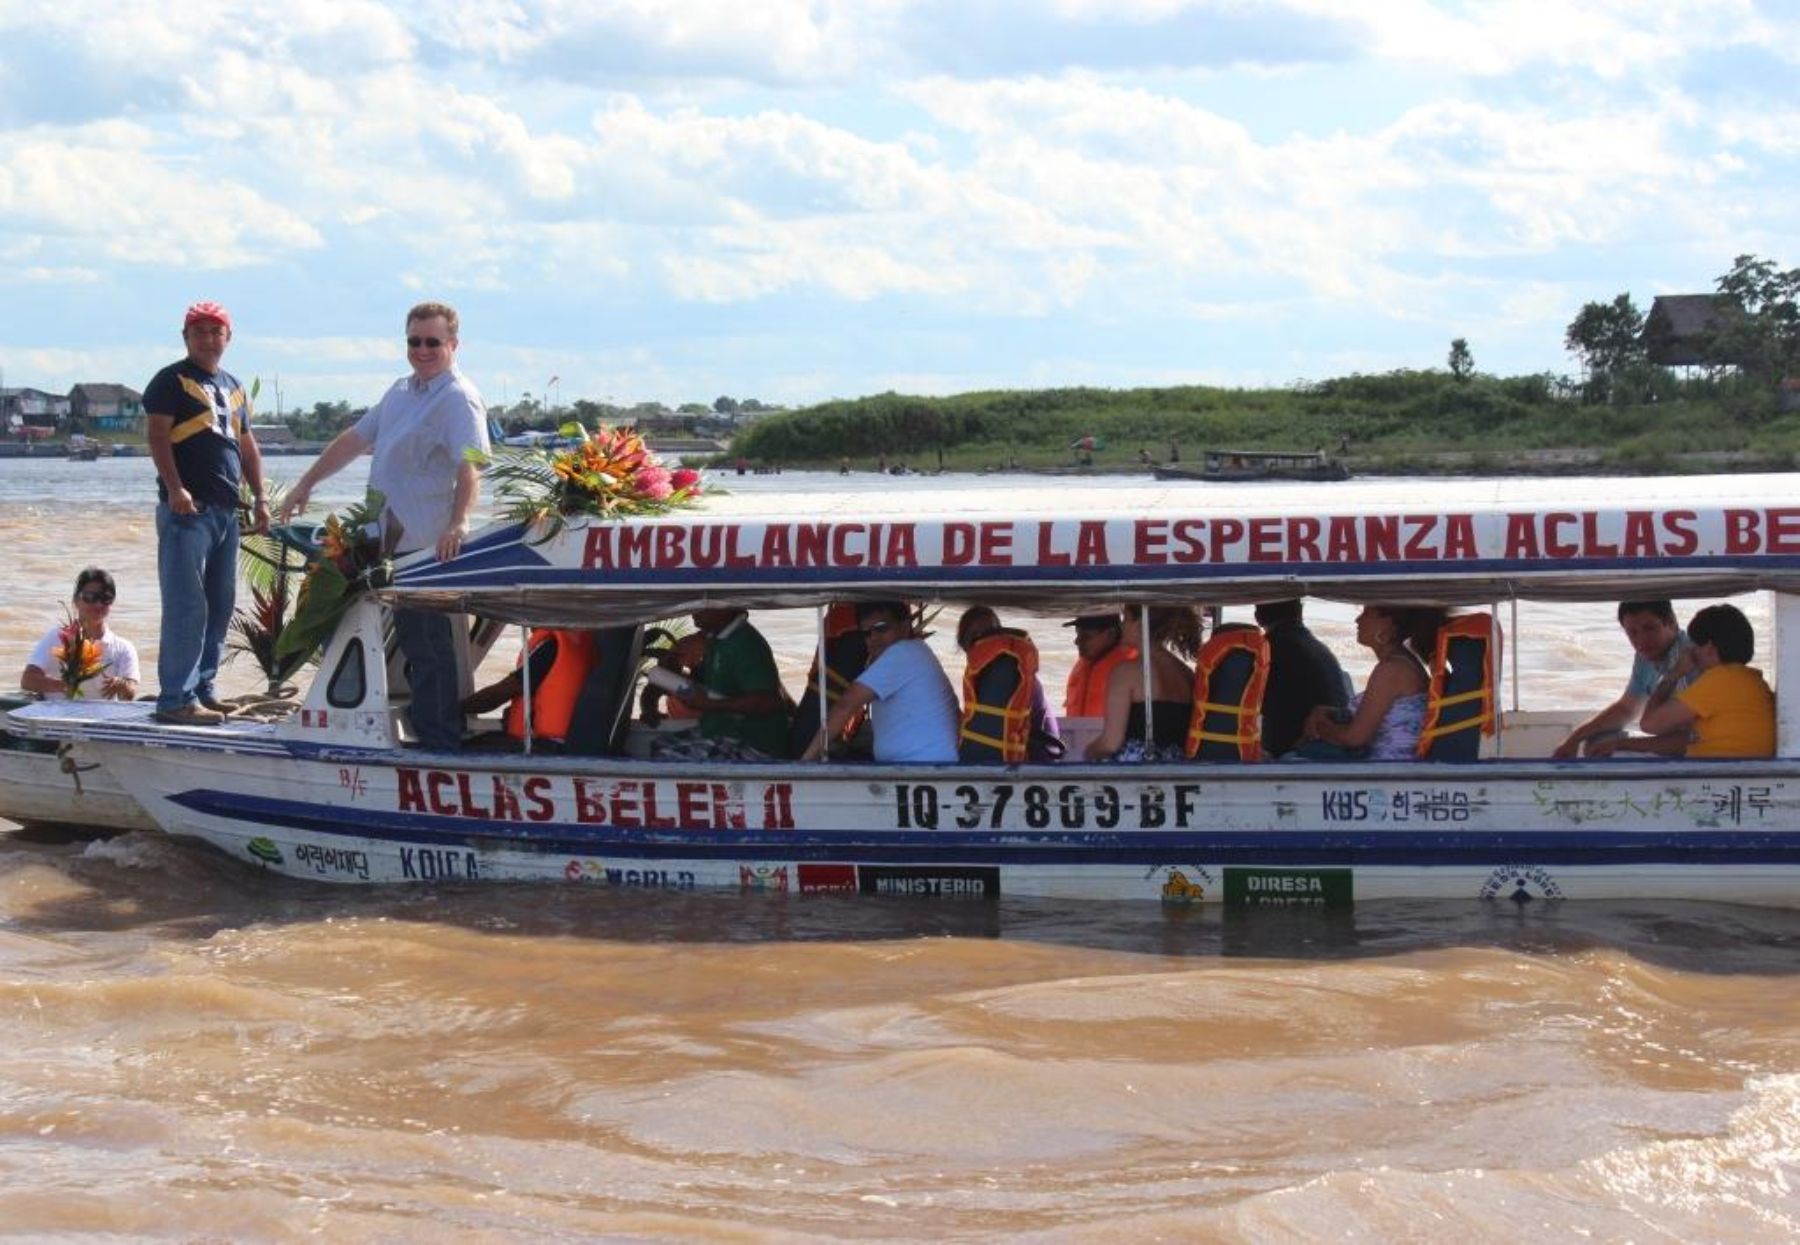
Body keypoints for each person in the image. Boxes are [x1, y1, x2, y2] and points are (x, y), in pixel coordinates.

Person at [280, 302, 489, 750]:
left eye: (433, 342)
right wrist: (305, 484)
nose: (423, 349)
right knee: (415, 646)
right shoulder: (400, 390)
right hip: (390, 543)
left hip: (428, 547)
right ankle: (427, 728)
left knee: (431, 648)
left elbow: (473, 463)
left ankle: (441, 743)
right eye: (415, 341)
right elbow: (356, 439)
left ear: (454, 345)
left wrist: (461, 520)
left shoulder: (458, 397)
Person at [143, 302, 268, 724]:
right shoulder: (170, 380)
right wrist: (175, 487)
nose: (208, 338)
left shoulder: (233, 387)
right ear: (186, 338)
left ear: (228, 338)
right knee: (186, 605)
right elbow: (158, 436)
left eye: (216, 331)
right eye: (199, 331)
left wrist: (261, 498)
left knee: (219, 604)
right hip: (187, 512)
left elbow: (246, 447)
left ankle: (203, 688)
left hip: (226, 512)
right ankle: (175, 698)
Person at [1588, 603, 1775, 759]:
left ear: (1709, 648)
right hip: (1730, 767)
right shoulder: (1753, 680)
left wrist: (1674, 674)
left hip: (1714, 772)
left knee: (1610, 757)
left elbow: (1649, 725)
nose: (1690, 653)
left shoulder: (1718, 681)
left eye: (1694, 647)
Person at [800, 601, 958, 762]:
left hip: (923, 767)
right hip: (918, 766)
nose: (873, 638)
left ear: (904, 627)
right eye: (866, 633)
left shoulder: (902, 653)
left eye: (881, 628)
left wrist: (806, 760)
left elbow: (846, 705)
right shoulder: (915, 651)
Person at [1553, 600, 1695, 758]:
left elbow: (1693, 737)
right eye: (1632, 632)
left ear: (1671, 622)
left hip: (1695, 750)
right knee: (1597, 742)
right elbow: (1626, 709)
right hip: (1667, 738)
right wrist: (1574, 739)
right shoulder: (1646, 656)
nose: (1641, 640)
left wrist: (1621, 744)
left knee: (1610, 753)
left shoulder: (1692, 659)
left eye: (1649, 628)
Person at [649, 608, 792, 760]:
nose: (694, 610)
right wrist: (674, 677)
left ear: (724, 607)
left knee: (666, 757)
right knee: (660, 744)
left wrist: (708, 704)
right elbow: (706, 683)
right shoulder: (717, 640)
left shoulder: (746, 643)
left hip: (752, 741)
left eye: (703, 604)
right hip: (721, 730)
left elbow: (768, 701)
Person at [1297, 605, 1430, 760]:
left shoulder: (1392, 669)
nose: (1357, 620)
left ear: (1388, 623)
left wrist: (1319, 728)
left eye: (1366, 613)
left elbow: (1353, 738)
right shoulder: (1402, 663)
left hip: (1387, 771)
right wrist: (1330, 713)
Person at [1086, 605, 1201, 762]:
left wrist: (1087, 753)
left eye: (1125, 618)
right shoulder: (1186, 673)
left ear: (1140, 623)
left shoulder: (1126, 671)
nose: (1121, 625)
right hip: (1178, 768)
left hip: (1139, 773)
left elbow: (1110, 743)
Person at [461, 628, 598, 750]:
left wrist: (456, 708)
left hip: (547, 747)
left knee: (464, 747)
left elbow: (501, 693)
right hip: (573, 740)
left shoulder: (550, 647)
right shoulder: (584, 642)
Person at [955, 606, 1061, 763]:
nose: (982, 641)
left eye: (988, 634)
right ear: (964, 645)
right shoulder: (990, 676)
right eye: (975, 636)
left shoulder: (1014, 675)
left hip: (1036, 760)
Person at [20, 568, 140, 701]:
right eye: (90, 597)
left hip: (103, 720)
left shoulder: (123, 648)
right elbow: (27, 680)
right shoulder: (57, 637)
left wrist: (122, 685)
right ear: (76, 600)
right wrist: (62, 686)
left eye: (106, 598)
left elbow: (131, 692)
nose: (98, 604)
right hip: (58, 717)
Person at [1255, 599, 1350, 757]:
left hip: (1299, 748)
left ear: (1257, 617)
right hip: (1328, 744)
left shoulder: (1270, 648)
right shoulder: (1318, 647)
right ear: (1300, 611)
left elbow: (1255, 702)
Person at [1063, 614, 1137, 719]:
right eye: (1078, 635)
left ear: (1111, 634)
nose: (1077, 641)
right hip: (1077, 734)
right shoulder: (1081, 667)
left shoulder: (1132, 669)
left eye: (1086, 636)